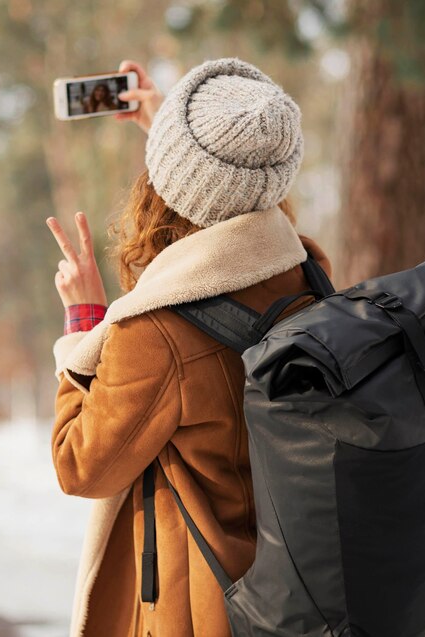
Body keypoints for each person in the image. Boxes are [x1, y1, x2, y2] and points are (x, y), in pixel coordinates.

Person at [45, 58, 332, 637]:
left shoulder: (154, 333)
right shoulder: (310, 276)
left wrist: (84, 324)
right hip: (292, 601)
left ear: (167, 181)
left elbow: (80, 465)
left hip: (198, 612)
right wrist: (165, 124)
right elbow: (238, 207)